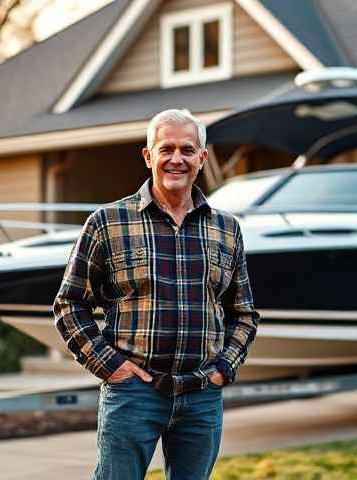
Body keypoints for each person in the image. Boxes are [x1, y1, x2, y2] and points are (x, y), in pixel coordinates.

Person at [53, 109, 260, 480]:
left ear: (202, 157)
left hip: (201, 394)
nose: (176, 159)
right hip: (134, 393)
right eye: (166, 149)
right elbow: (70, 304)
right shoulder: (107, 223)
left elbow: (243, 313)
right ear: (148, 156)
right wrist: (110, 367)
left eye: (187, 149)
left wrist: (223, 368)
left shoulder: (227, 229)